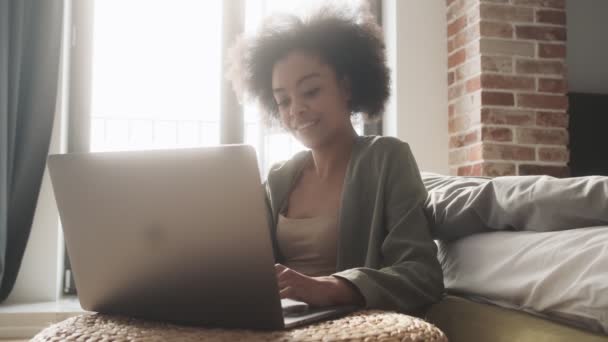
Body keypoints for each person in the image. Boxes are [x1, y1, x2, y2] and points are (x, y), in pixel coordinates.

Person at [227, 5, 444, 314]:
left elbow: (422, 275)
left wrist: (332, 287)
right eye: (284, 100)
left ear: (346, 86)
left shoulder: (386, 159)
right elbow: (247, 265)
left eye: (311, 91)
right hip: (282, 326)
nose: (296, 110)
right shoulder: (279, 179)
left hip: (350, 326)